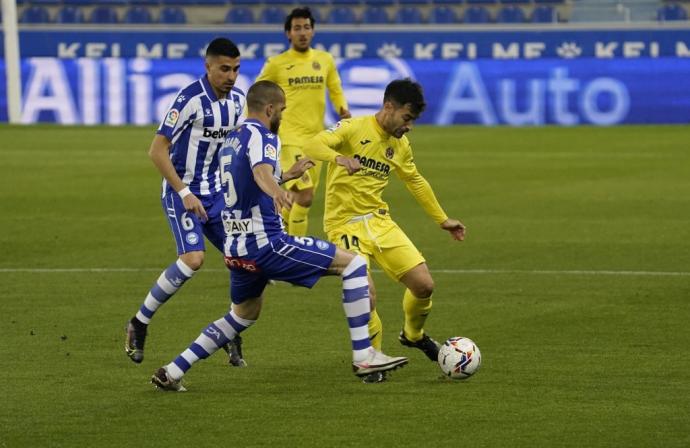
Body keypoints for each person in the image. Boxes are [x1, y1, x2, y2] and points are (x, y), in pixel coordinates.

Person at [151, 81, 407, 391]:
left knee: (242, 315)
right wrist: (278, 191)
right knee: (353, 265)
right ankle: (364, 354)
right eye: (282, 110)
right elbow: (260, 174)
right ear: (270, 108)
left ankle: (173, 370)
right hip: (267, 244)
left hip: (236, 247)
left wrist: (286, 175)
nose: (283, 116)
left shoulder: (232, 139)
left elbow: (245, 178)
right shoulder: (265, 136)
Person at [303, 78, 466, 383]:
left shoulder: (400, 145)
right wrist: (338, 157)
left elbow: (415, 181)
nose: (409, 127)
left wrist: (442, 219)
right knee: (365, 294)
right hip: (344, 224)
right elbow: (312, 144)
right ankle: (371, 361)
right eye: (407, 118)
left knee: (424, 285)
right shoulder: (353, 128)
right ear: (388, 107)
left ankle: (413, 335)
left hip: (379, 222)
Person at [124, 38, 246, 364]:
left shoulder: (237, 102)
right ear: (208, 67)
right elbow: (156, 150)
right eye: (224, 69)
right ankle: (139, 322)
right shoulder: (189, 99)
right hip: (182, 191)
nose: (231, 76)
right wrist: (184, 192)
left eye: (236, 69)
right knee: (193, 259)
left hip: (217, 193)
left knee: (244, 257)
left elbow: (235, 151)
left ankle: (229, 329)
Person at [255, 6, 350, 237]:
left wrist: (343, 110)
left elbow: (335, 88)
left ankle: (277, 241)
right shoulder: (277, 63)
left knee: (297, 200)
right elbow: (257, 91)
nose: (302, 32)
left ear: (313, 31)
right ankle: (298, 253)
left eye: (306, 27)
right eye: (297, 28)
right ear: (288, 33)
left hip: (316, 140)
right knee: (305, 195)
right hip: (288, 139)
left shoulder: (324, 59)